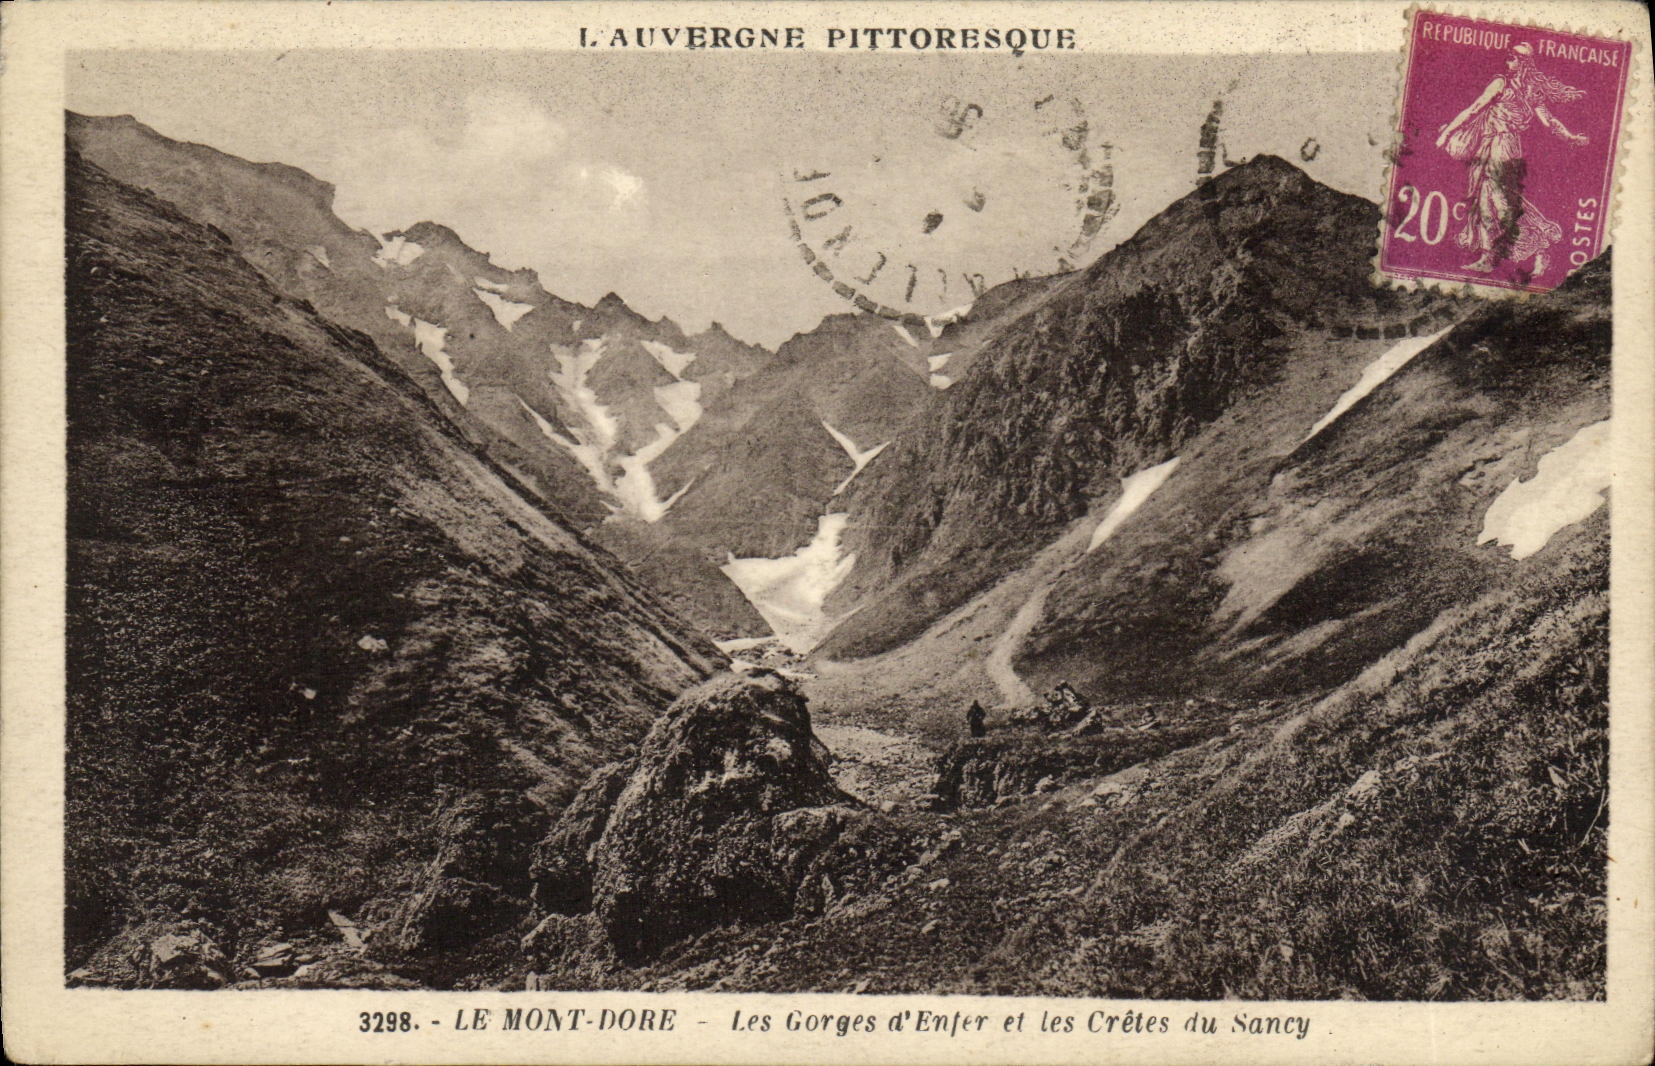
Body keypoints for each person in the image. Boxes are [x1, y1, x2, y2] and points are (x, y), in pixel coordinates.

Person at [1434, 42, 1589, 275]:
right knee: (1482, 199)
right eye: (1508, 58)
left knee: (1502, 201)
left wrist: (1570, 136)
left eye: (1513, 59)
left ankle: (1538, 246)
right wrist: (1447, 133)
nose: (1508, 62)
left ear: (1524, 63)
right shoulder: (1502, 83)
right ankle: (1490, 256)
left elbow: (1548, 121)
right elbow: (1474, 108)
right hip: (1489, 145)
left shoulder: (1524, 90)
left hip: (1504, 145)